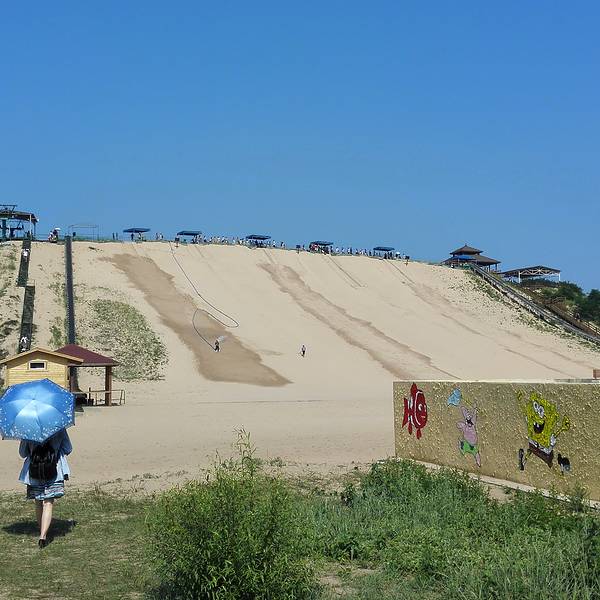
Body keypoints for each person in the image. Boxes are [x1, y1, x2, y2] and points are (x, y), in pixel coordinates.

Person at [19, 429, 72, 549]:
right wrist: (55, 450)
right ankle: (43, 536)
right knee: (48, 503)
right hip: (54, 470)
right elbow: (68, 448)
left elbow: (23, 453)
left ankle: (42, 531)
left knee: (38, 502)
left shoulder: (27, 429)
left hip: (34, 471)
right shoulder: (58, 428)